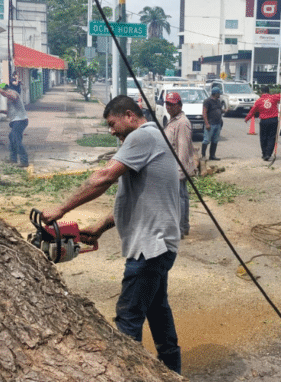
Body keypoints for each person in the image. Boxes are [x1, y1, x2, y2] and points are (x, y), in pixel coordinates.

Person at [41, 95, 182, 374]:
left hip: (150, 247)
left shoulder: (142, 136)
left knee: (128, 318)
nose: (111, 131)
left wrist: (61, 208)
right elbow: (135, 198)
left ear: (130, 115)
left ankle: (129, 376)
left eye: (112, 123)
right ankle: (173, 372)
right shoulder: (152, 138)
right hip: (159, 244)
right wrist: (99, 228)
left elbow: (104, 177)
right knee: (157, 311)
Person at [163, 92, 197, 238]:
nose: (169, 107)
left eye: (172, 104)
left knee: (180, 199)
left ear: (180, 105)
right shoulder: (173, 120)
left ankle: (181, 228)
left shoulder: (182, 123)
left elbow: (183, 149)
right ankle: (181, 226)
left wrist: (180, 172)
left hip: (177, 167)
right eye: (167, 104)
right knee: (178, 198)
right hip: (170, 167)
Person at [0, 82, 29, 167]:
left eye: (2, 92)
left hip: (20, 120)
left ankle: (24, 161)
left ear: (5, 89)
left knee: (16, 140)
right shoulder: (9, 98)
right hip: (16, 121)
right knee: (12, 137)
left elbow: (13, 97)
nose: (2, 94)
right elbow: (10, 111)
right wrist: (0, 111)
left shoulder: (13, 93)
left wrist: (1, 91)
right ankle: (13, 159)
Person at [244, 86, 281, 161]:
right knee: (271, 137)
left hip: (264, 121)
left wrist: (247, 118)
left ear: (261, 92)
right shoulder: (274, 97)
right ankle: (268, 154)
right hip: (273, 120)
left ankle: (264, 154)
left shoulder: (259, 101)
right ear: (269, 91)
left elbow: (252, 111)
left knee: (263, 138)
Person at [201, 86, 223, 161]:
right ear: (215, 94)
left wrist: (225, 110)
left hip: (218, 123)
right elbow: (204, 113)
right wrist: (207, 123)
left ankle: (212, 155)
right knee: (206, 140)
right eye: (219, 93)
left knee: (215, 140)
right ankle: (203, 156)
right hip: (211, 124)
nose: (219, 95)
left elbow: (219, 110)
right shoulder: (207, 101)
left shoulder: (218, 101)